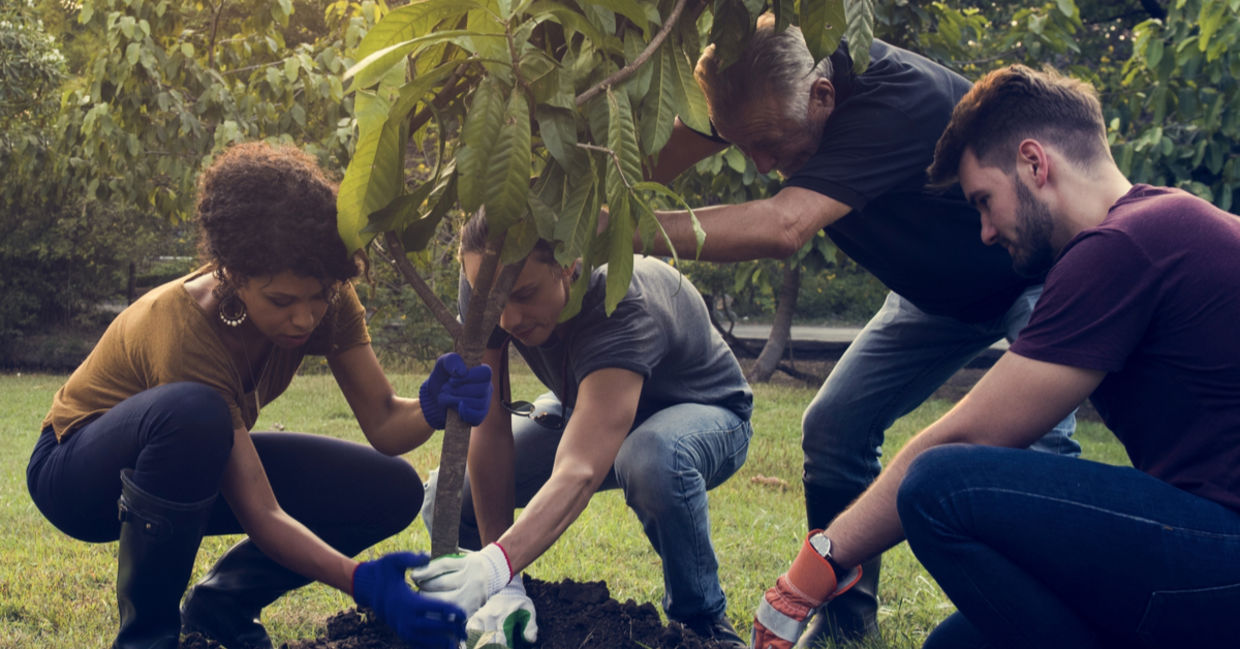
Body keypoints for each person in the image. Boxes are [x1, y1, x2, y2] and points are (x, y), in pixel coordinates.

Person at [752, 64, 1240, 649]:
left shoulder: (1122, 246)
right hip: (1208, 547)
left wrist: (813, 569)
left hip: (1223, 554)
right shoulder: (1158, 223)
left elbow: (973, 436)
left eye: (984, 201)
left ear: (1034, 164)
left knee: (939, 485)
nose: (983, 231)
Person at [636, 14, 1081, 642]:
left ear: (823, 97)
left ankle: (1058, 619)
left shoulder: (892, 97)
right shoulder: (756, 86)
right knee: (833, 428)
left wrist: (617, 231)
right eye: (740, 145)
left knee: (1038, 447)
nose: (760, 164)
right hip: (936, 296)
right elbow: (648, 163)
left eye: (769, 143)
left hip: (1031, 272)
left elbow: (783, 225)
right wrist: (562, 205)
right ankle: (847, 619)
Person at [26, 142, 491, 649]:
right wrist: (362, 582)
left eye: (318, 297)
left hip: (191, 469)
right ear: (231, 273)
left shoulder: (325, 293)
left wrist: (432, 405)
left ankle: (221, 607)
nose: (304, 317)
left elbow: (383, 422)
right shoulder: (180, 326)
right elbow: (262, 514)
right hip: (78, 477)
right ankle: (147, 639)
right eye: (281, 301)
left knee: (389, 489)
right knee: (195, 412)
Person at [411, 212, 756, 649]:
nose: (508, 319)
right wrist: (505, 584)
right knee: (450, 491)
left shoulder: (619, 298)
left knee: (652, 456)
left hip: (702, 412)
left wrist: (497, 563)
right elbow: (489, 425)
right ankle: (490, 610)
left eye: (525, 294)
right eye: (493, 302)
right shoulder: (488, 281)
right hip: (587, 404)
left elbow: (579, 468)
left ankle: (702, 625)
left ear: (569, 266)